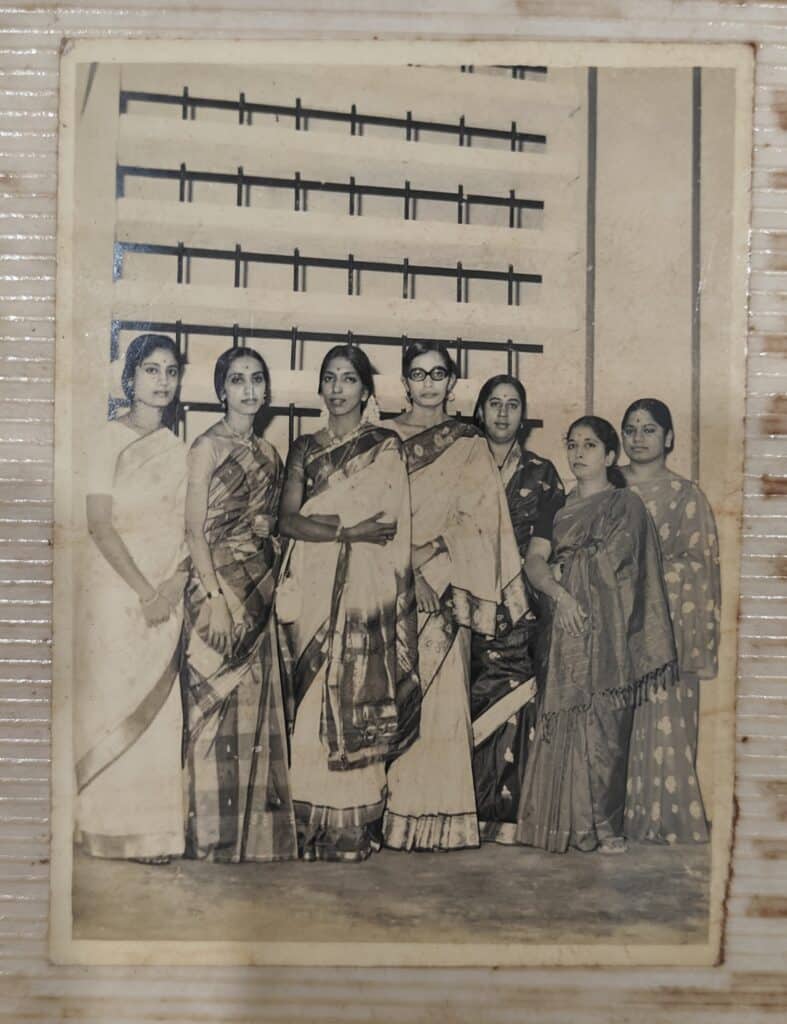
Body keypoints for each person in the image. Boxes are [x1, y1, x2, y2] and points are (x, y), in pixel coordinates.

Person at [382, 343, 528, 852]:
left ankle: (439, 819)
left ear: (452, 382)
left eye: (437, 374)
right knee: (390, 695)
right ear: (404, 382)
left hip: (447, 583)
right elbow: (372, 512)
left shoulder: (468, 443)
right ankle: (389, 820)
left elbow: (480, 520)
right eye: (417, 374)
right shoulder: (383, 437)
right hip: (388, 580)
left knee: (441, 702)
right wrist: (406, 562)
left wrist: (430, 555)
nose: (427, 384)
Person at [278, 344, 420, 863]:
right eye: (330, 378)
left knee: (357, 694)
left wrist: (352, 535)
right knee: (312, 696)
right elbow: (287, 520)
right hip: (313, 583)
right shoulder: (304, 448)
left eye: (348, 379)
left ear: (365, 390)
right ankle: (307, 822)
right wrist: (346, 530)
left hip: (365, 587)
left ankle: (351, 827)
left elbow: (389, 528)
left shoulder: (385, 446)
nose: (337, 389)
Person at [517, 416, 677, 855]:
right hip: (563, 626)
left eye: (589, 445)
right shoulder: (557, 505)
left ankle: (606, 826)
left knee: (606, 724)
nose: (578, 453)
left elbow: (622, 566)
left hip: (608, 632)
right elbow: (534, 562)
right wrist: (561, 596)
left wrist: (571, 571)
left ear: (609, 456)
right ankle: (562, 826)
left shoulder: (626, 507)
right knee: (562, 719)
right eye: (572, 444)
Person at [76, 333, 189, 862]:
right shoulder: (106, 439)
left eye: (170, 370)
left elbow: (193, 530)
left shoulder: (179, 449)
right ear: (130, 377)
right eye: (151, 369)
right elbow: (99, 523)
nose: (161, 381)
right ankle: (103, 827)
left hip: (167, 594)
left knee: (161, 714)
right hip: (118, 593)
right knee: (114, 704)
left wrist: (173, 585)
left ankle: (153, 834)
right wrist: (146, 590)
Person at [182, 347, 297, 862]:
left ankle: (252, 841)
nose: (248, 389)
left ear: (266, 391)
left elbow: (269, 528)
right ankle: (207, 839)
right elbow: (192, 527)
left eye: (256, 379)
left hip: (259, 591)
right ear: (221, 390)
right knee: (208, 712)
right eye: (236, 380)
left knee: (250, 715)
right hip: (215, 592)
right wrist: (216, 598)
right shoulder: (206, 446)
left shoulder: (271, 455)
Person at [620, 398, 721, 844]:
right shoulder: (605, 486)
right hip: (612, 628)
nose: (638, 438)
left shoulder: (685, 495)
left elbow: (699, 566)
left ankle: (663, 819)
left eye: (648, 429)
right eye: (631, 429)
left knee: (662, 717)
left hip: (664, 629)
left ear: (669, 438)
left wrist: (646, 575)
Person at [469, 375, 565, 844]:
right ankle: (461, 810)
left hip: (521, 610)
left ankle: (506, 816)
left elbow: (552, 546)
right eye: (494, 404)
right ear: (480, 411)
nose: (503, 413)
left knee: (515, 705)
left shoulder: (543, 473)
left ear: (523, 416)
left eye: (512, 405)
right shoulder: (460, 463)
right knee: (463, 702)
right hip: (463, 604)